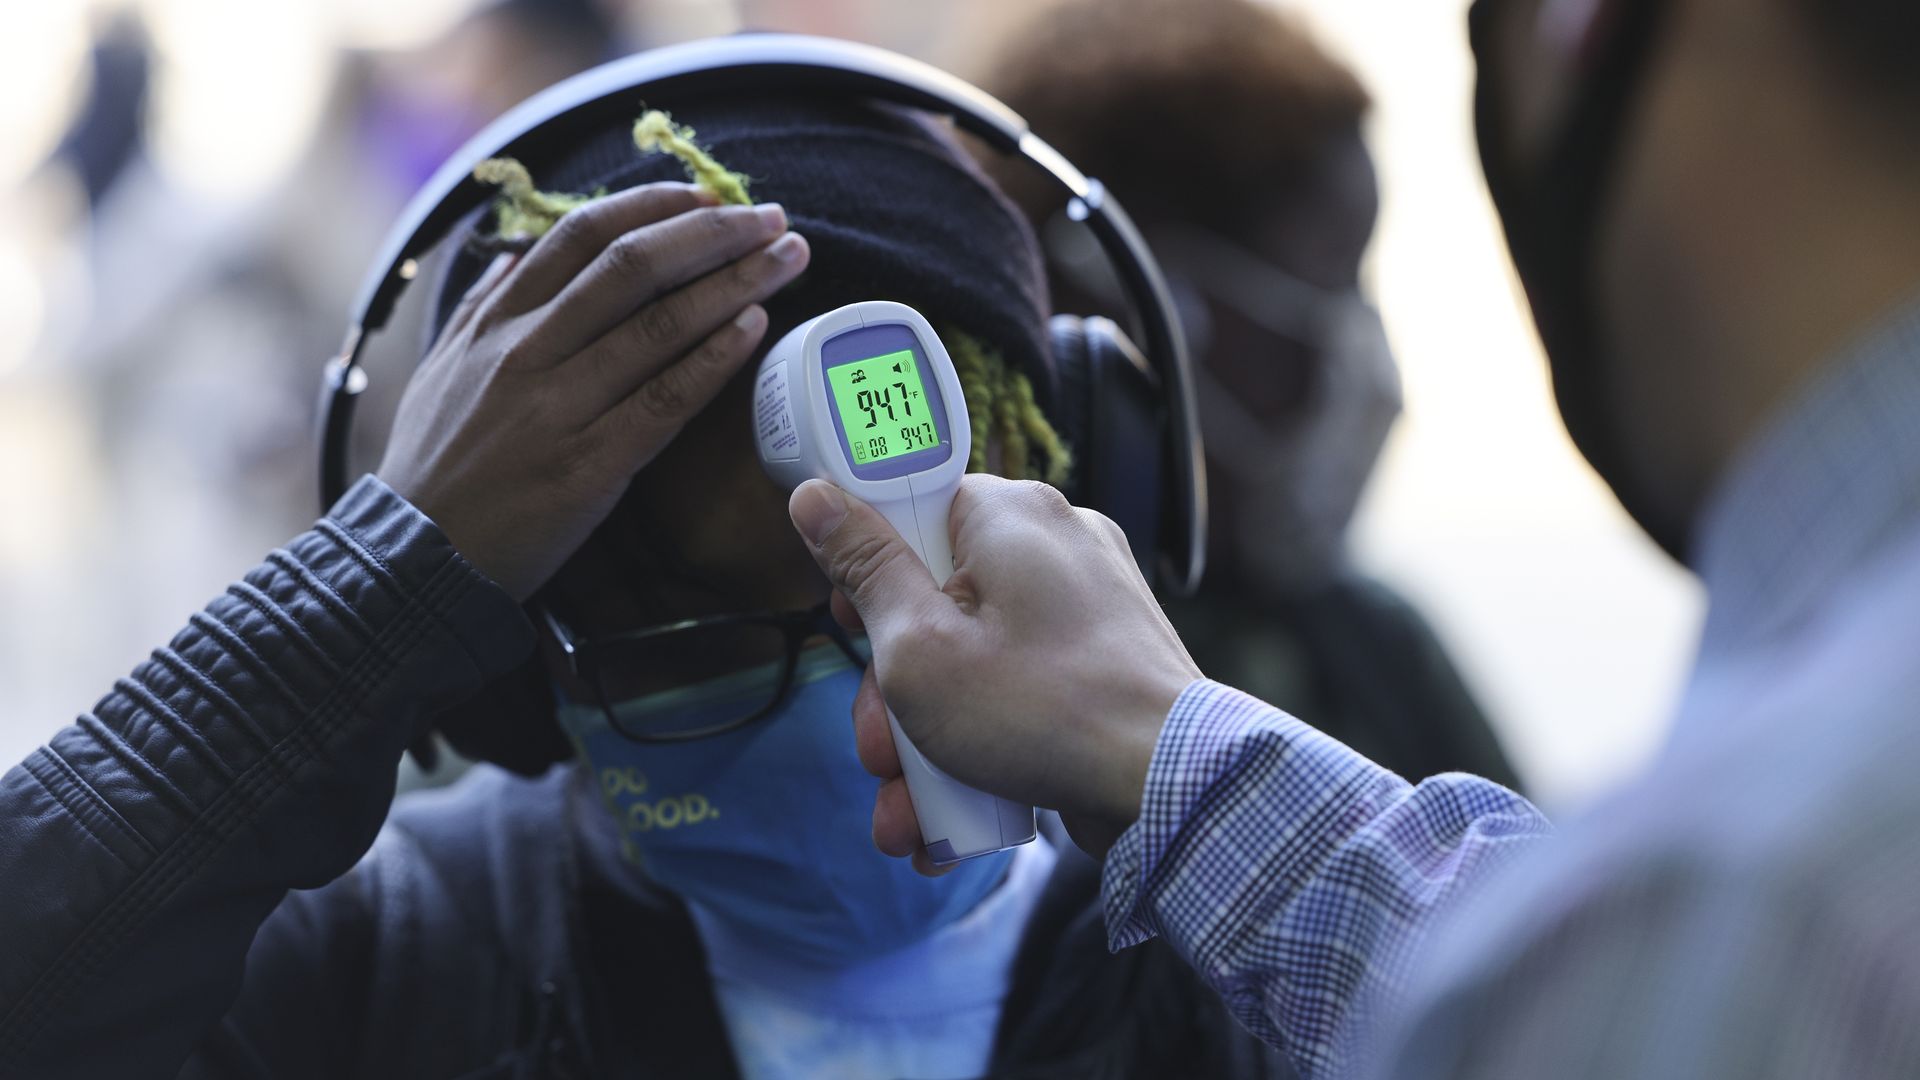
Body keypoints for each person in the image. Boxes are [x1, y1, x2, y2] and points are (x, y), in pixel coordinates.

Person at [0, 92, 1290, 1079]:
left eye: (908, 583)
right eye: (691, 636)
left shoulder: (1275, 967)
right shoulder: (377, 967)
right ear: (519, 668)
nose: (866, 703)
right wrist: (371, 593)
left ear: (1068, 501)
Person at [790, 0, 1920, 1077]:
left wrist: (1165, 748)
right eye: (1314, 305)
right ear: (1133, 331)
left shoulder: (1737, 905)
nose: (1366, 377)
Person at [984, 0, 1521, 790]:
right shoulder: (968, 680)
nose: (1360, 378)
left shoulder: (1370, 649)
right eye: (1311, 312)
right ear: (1130, 312)